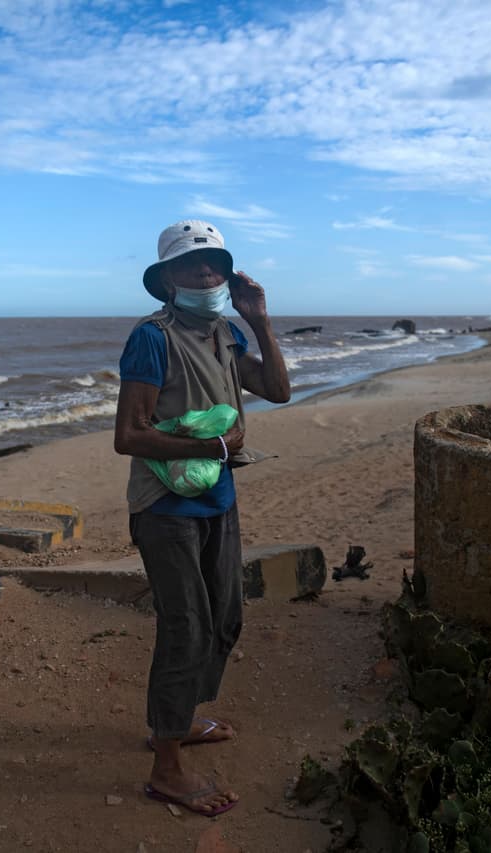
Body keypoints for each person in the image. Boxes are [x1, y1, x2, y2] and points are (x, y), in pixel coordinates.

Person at [113, 220, 291, 815]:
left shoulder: (226, 331)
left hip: (218, 497)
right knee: (185, 626)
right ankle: (166, 766)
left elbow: (278, 390)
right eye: (193, 266)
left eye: (215, 263)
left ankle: (181, 718)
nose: (208, 274)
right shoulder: (151, 337)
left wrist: (260, 319)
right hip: (165, 507)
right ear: (166, 280)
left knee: (224, 618)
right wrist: (215, 447)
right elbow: (128, 435)